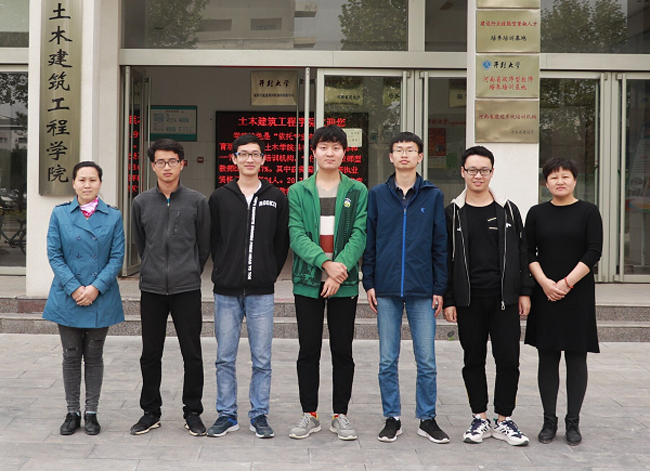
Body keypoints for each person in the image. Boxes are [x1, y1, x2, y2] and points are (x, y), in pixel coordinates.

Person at [442, 146, 533, 446]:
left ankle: (504, 420)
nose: (478, 175)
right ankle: (479, 417)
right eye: (472, 170)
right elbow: (445, 259)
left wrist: (525, 292)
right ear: (463, 172)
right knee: (473, 359)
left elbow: (522, 254)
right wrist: (450, 299)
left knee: (508, 359)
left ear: (492, 172)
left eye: (484, 170)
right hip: (468, 300)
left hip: (504, 299)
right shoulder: (452, 213)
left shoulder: (508, 210)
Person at [362, 132, 449, 444]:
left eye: (410, 150)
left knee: (426, 360)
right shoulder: (377, 195)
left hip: (422, 289)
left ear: (420, 157)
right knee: (388, 359)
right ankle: (392, 417)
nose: (404, 155)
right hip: (385, 289)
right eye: (398, 150)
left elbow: (440, 245)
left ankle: (427, 418)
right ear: (390, 157)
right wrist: (368, 281)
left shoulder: (433, 195)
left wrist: (439, 287)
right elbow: (369, 241)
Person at [206, 134, 289, 439]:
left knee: (262, 359)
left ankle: (259, 414)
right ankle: (226, 414)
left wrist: (268, 272)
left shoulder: (276, 197)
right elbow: (214, 239)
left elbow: (281, 242)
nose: (249, 159)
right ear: (234, 159)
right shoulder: (220, 197)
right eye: (243, 154)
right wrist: (225, 269)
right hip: (226, 291)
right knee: (224, 357)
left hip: (261, 292)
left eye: (255, 154)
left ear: (264, 159)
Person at [287, 124, 367, 441]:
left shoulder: (357, 191)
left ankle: (340, 414)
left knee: (342, 350)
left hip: (343, 286)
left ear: (344, 153)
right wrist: (325, 264)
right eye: (323, 147)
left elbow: (360, 233)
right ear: (314, 152)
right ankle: (309, 414)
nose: (329, 153)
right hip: (308, 282)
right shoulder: (298, 191)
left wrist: (338, 271)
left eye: (336, 147)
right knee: (308, 350)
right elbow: (296, 235)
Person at [130, 139, 211, 436]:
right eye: (161, 162)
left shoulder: (197, 201)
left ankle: (193, 412)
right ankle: (150, 411)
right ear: (153, 166)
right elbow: (142, 243)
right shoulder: (141, 202)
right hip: (151, 289)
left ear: (182, 164)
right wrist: (152, 269)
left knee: (192, 353)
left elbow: (204, 245)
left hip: (186, 288)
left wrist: (189, 270)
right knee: (150, 353)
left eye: (172, 161)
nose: (167, 167)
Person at [524, 157, 603, 446]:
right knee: (547, 357)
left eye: (565, 176)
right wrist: (545, 283)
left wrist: (567, 282)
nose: (560, 181)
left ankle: (573, 422)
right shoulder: (536, 213)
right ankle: (549, 421)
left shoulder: (588, 212)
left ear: (575, 180)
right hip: (545, 293)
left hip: (577, 293)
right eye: (554, 177)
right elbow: (527, 252)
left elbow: (593, 251)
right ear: (546, 182)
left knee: (576, 357)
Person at [43, 161, 125, 436]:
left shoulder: (113, 216)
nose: (87, 184)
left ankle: (91, 412)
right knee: (70, 355)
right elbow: (54, 254)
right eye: (82, 179)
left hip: (100, 296)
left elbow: (117, 257)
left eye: (92, 180)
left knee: (94, 355)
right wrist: (75, 288)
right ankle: (72, 412)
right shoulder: (60, 214)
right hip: (68, 296)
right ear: (74, 183)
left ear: (100, 183)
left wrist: (95, 288)